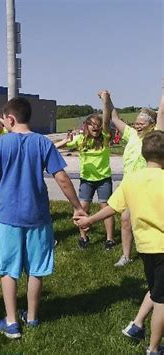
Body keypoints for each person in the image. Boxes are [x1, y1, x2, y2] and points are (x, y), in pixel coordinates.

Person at [0, 97, 86, 339]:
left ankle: (11, 322)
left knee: (9, 268)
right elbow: (61, 177)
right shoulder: (43, 143)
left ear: (9, 119)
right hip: (38, 216)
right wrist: (77, 206)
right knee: (36, 268)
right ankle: (32, 317)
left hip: (8, 217)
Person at [75, 130, 164, 355]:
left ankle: (136, 326)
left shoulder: (131, 180)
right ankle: (154, 348)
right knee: (162, 300)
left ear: (143, 154)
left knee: (157, 290)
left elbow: (112, 208)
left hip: (144, 246)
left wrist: (88, 219)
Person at [54, 91, 115, 250]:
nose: (95, 127)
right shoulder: (80, 139)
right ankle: (84, 237)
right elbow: (52, 148)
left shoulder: (105, 137)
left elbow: (107, 118)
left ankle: (109, 239)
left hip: (104, 180)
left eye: (98, 124)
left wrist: (105, 101)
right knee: (82, 209)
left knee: (105, 208)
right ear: (86, 126)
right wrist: (66, 141)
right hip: (86, 180)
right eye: (91, 124)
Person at [107, 92, 162, 267]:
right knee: (125, 219)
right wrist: (107, 100)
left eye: (141, 123)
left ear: (151, 124)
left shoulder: (155, 135)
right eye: (136, 123)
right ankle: (126, 255)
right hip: (132, 185)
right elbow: (114, 117)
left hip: (150, 185)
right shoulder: (131, 134)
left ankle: (152, 250)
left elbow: (161, 113)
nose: (137, 126)